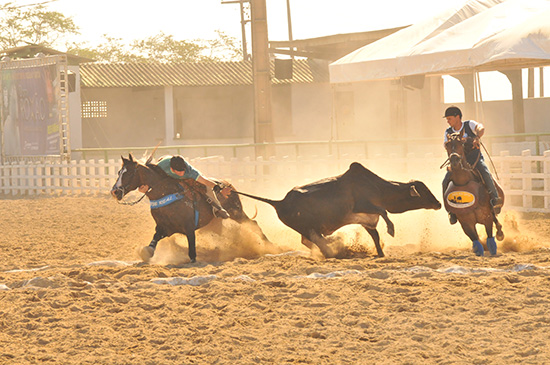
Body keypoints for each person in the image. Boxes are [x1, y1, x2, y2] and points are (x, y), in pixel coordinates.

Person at [442, 106, 502, 224]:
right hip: (457, 164)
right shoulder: (448, 132)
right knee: (445, 182)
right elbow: (446, 144)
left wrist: (477, 137)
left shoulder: (469, 124)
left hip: (475, 159)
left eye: (449, 118)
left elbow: (480, 127)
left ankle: (495, 198)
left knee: (485, 172)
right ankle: (451, 211)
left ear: (457, 117)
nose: (448, 121)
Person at [140, 155, 230, 219]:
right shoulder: (161, 166)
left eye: (183, 170)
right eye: (179, 171)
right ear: (172, 169)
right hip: (168, 175)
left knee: (207, 188)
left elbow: (205, 181)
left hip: (187, 179)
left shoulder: (190, 172)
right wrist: (145, 186)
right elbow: (151, 174)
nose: (182, 173)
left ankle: (218, 208)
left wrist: (218, 187)